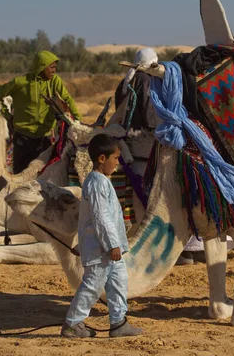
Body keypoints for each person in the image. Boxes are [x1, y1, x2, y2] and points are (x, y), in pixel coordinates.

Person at [61, 134, 143, 338]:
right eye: (115, 158)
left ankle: (118, 323)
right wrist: (112, 245)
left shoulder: (102, 181)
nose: (117, 162)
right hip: (101, 249)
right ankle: (73, 324)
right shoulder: (96, 183)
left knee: (118, 282)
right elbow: (101, 217)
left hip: (109, 250)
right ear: (102, 159)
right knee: (93, 286)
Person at [0, 50, 81, 173]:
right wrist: (7, 115)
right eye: (52, 67)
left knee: (44, 174)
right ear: (41, 67)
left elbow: (67, 99)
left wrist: (78, 120)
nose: (54, 70)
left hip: (45, 137)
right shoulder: (20, 82)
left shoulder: (55, 81)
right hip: (23, 137)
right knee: (20, 174)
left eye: (55, 67)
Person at [114, 48, 158, 131]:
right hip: (139, 133)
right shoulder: (145, 80)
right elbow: (147, 107)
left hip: (124, 129)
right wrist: (154, 127)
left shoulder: (127, 79)